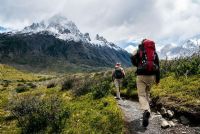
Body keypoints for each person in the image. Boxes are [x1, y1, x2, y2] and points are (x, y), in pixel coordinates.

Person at [130, 39, 160, 127]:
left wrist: (137, 64)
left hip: (141, 75)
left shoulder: (139, 50)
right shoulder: (154, 52)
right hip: (151, 76)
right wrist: (157, 80)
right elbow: (158, 66)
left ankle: (146, 110)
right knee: (147, 94)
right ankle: (148, 112)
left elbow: (131, 57)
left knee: (141, 95)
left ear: (142, 43)